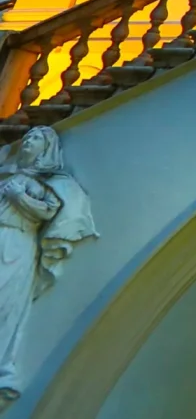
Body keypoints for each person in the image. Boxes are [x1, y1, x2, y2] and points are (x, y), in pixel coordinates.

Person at [0, 128, 95, 406]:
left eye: (35, 139)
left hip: (16, 242)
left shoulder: (49, 183)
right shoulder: (9, 175)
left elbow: (48, 210)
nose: (28, 140)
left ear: (46, 148)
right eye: (26, 137)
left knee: (6, 302)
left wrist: (20, 197)